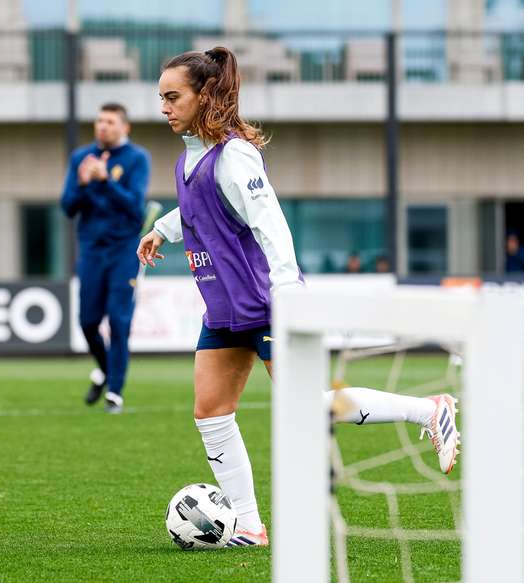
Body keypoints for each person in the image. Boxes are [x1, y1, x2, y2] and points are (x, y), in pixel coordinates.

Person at [138, 48, 460, 547]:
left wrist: (287, 291)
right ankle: (247, 524)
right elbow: (200, 209)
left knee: (309, 405)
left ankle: (430, 410)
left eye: (172, 96)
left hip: (264, 303)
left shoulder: (235, 154)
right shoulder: (189, 158)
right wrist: (163, 228)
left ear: (204, 96)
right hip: (223, 306)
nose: (163, 106)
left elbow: (270, 224)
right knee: (211, 412)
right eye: (161, 97)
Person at [61, 102, 151, 414]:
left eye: (110, 122)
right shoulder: (80, 158)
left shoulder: (137, 159)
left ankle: (115, 392)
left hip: (124, 250)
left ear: (124, 127)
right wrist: (85, 184)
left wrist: (105, 181)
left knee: (118, 319)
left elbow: (135, 208)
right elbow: (68, 206)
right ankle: (105, 370)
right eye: (100, 121)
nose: (103, 126)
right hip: (91, 251)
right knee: (87, 322)